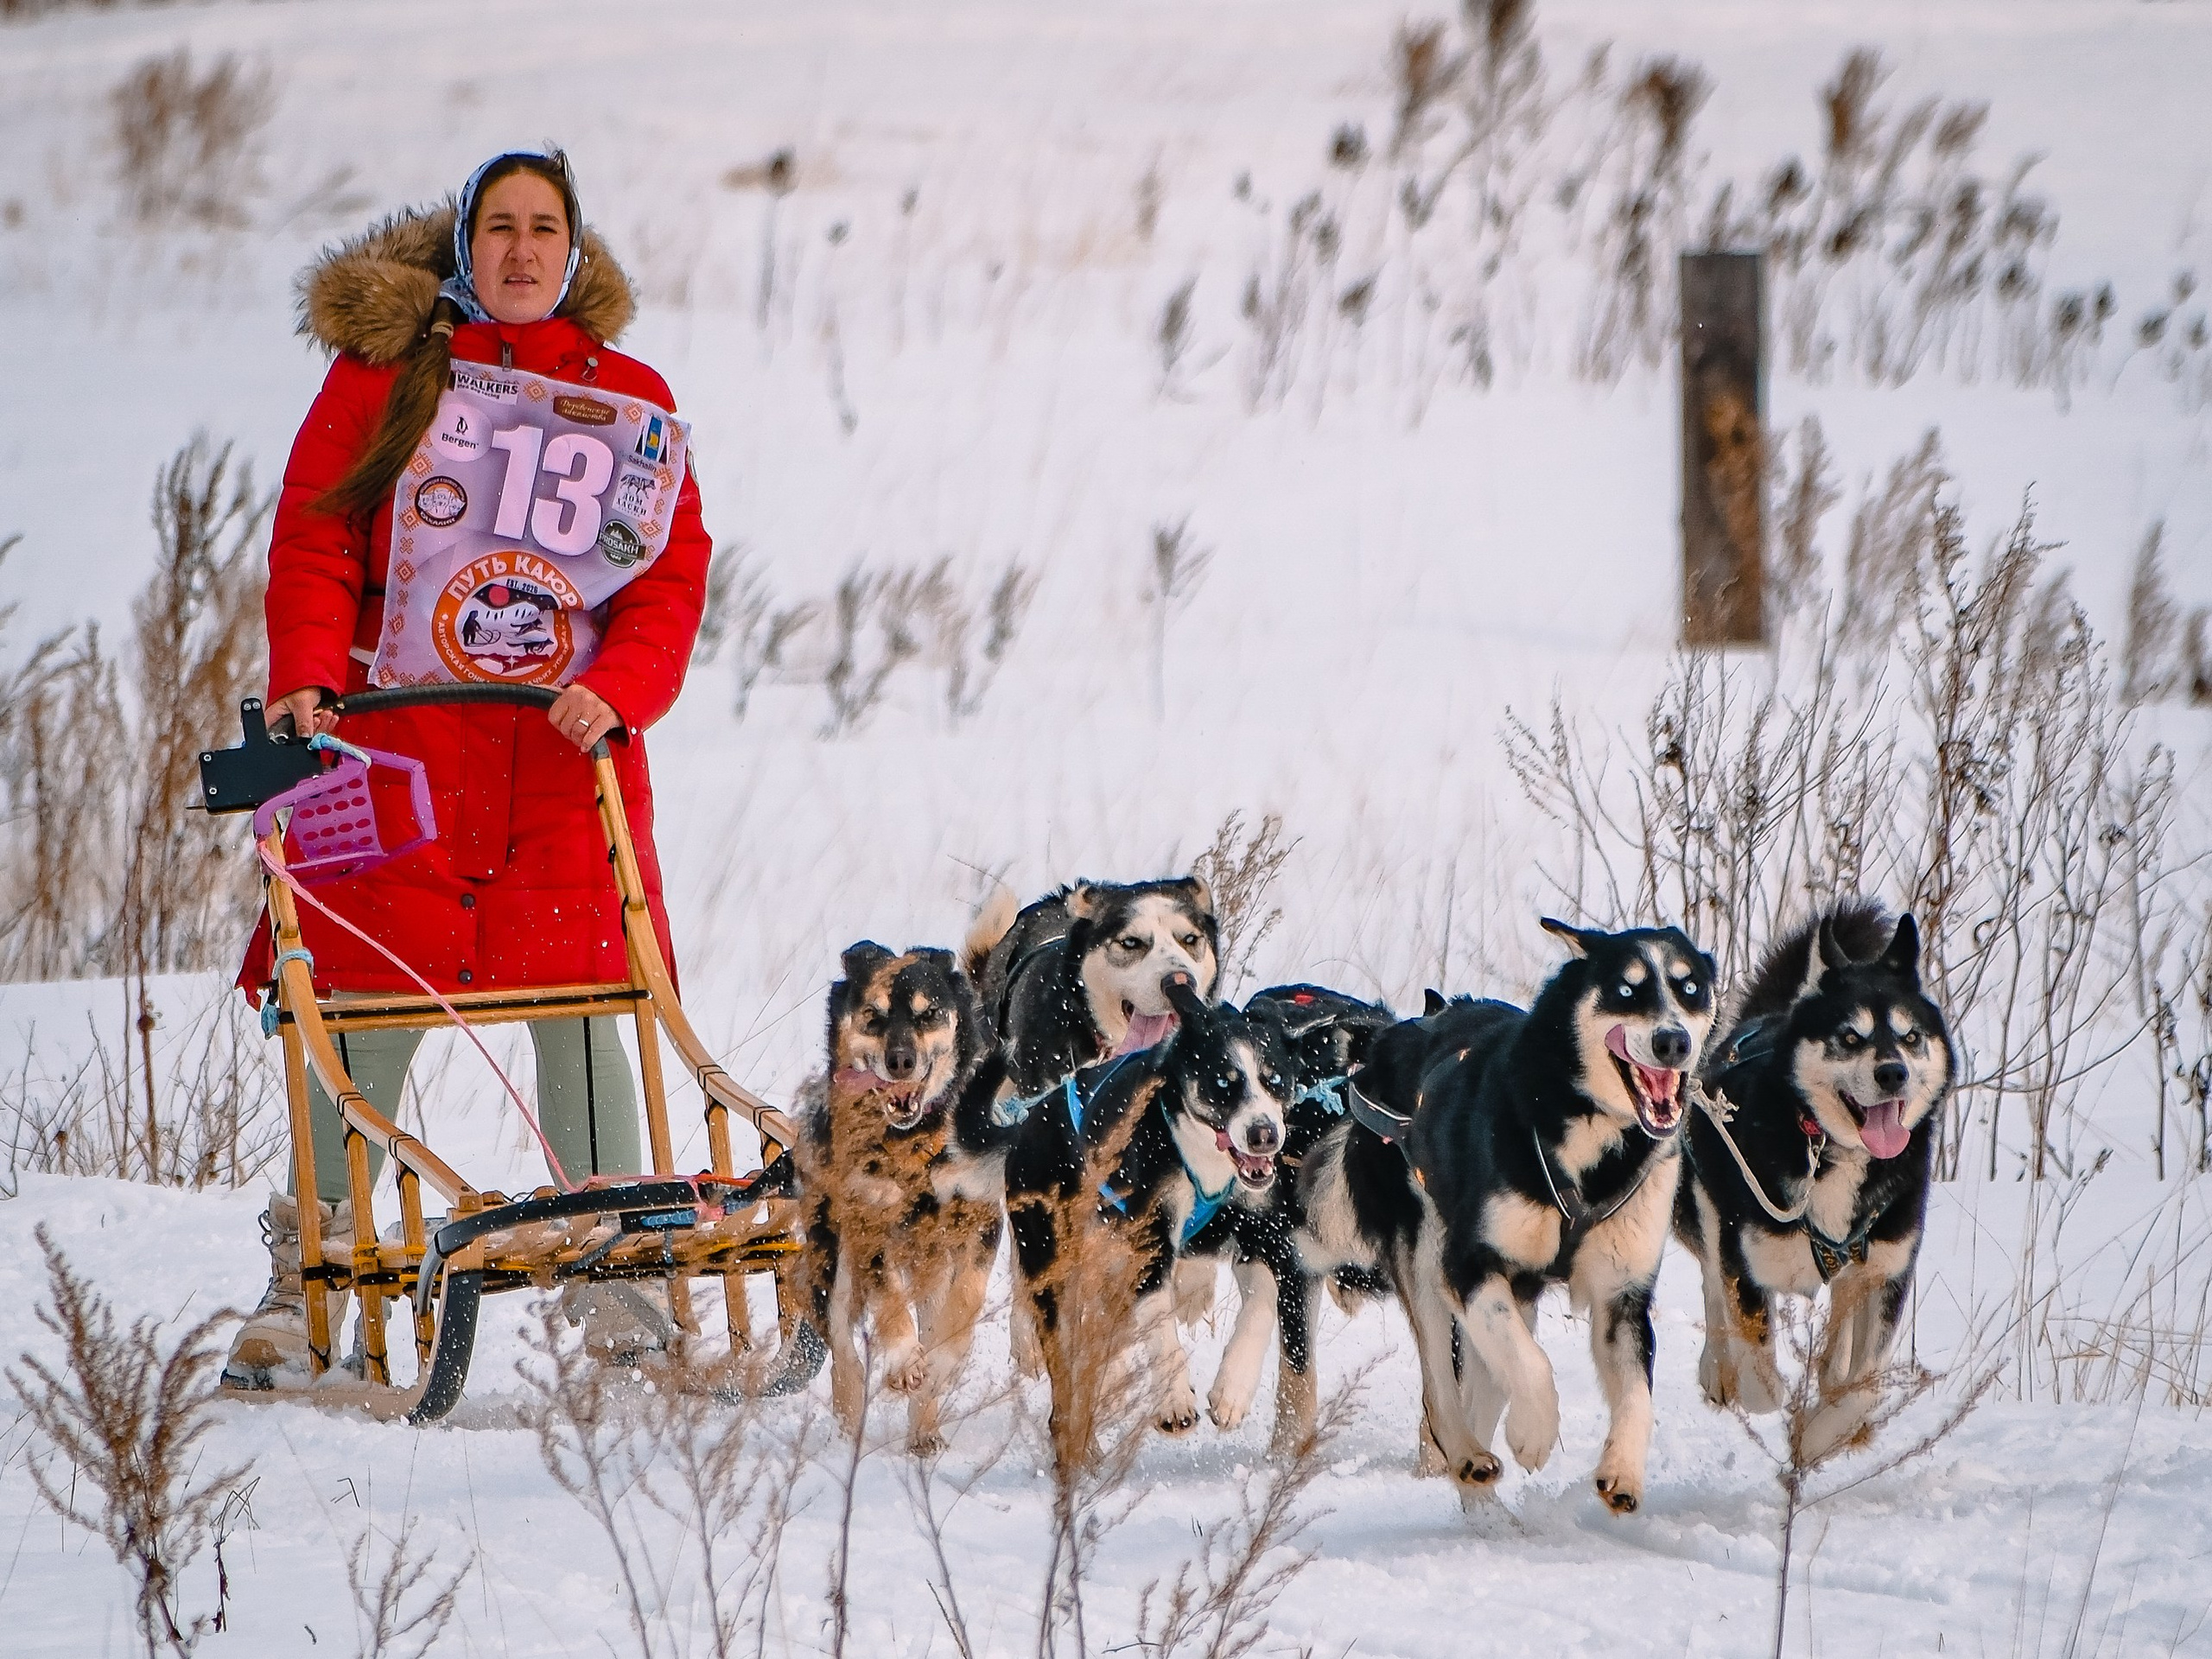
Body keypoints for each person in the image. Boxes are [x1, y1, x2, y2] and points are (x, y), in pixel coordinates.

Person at [223, 149, 712, 1389]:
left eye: (545, 228)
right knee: (358, 1006)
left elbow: (666, 575)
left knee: (588, 1005)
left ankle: (625, 1285)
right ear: (464, 244)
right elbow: (318, 529)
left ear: (574, 250)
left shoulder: (631, 400)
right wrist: (307, 667)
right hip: (398, 748)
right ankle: (310, 1278)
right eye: (499, 227)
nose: (522, 250)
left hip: (560, 760)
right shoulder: (386, 379)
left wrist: (622, 688)